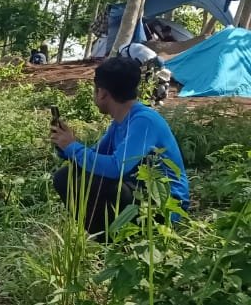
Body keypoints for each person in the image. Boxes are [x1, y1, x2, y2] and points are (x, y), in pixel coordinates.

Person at [50, 56, 190, 237]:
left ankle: (120, 241)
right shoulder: (121, 121)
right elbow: (97, 156)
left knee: (106, 185)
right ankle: (106, 241)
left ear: (101, 93)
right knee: (65, 176)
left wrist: (73, 147)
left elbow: (117, 167)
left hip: (165, 205)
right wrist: (66, 146)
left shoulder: (143, 121)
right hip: (141, 194)